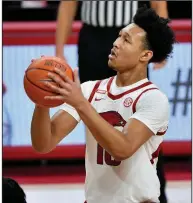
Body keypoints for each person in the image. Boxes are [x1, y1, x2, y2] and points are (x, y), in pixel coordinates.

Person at [32, 7, 175, 203]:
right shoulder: (88, 90)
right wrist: (42, 100)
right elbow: (43, 144)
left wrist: (81, 104)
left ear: (145, 55)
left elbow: (123, 149)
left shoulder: (153, 98)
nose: (115, 43)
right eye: (118, 37)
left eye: (126, 40)